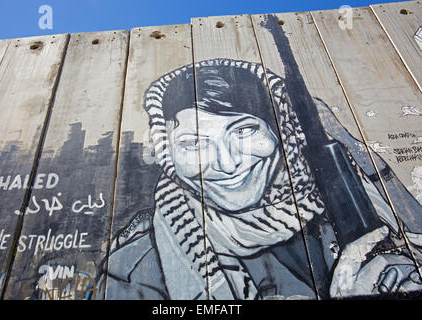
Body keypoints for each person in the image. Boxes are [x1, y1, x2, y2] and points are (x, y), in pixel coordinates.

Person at [99, 58, 422, 300]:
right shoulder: (138, 268)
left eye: (244, 130)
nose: (226, 164)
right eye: (194, 143)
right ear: (169, 152)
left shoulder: (348, 207)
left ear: (282, 133)